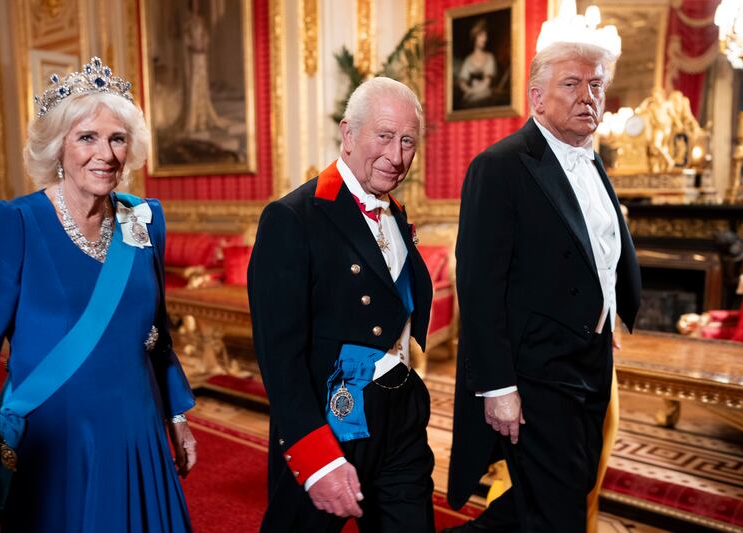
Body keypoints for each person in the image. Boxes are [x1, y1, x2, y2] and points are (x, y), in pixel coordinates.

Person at [0, 57, 197, 532]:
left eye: (117, 138)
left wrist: (176, 412)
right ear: (57, 147)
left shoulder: (144, 222)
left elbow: (156, 334)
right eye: (86, 137)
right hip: (56, 447)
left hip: (136, 435)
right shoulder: (11, 224)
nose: (104, 153)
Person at [446, 42, 641, 532]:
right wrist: (497, 386)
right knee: (561, 511)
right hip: (534, 370)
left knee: (558, 495)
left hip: (591, 359)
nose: (588, 97)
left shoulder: (590, 160)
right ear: (536, 98)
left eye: (596, 85)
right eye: (571, 84)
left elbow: (595, 250)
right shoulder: (501, 166)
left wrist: (608, 308)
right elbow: (478, 284)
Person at [248, 77, 435, 532]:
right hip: (330, 419)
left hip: (400, 413)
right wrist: (315, 457)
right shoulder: (294, 217)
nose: (396, 156)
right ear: (348, 134)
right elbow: (280, 359)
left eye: (408, 141)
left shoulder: (395, 211)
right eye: (385, 136)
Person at [457, 19, 498, 106]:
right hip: (470, 98)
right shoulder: (468, 60)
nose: (484, 39)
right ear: (475, 37)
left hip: (484, 95)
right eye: (481, 36)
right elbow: (462, 83)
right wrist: (469, 90)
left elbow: (486, 83)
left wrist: (471, 92)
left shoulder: (489, 58)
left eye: (485, 36)